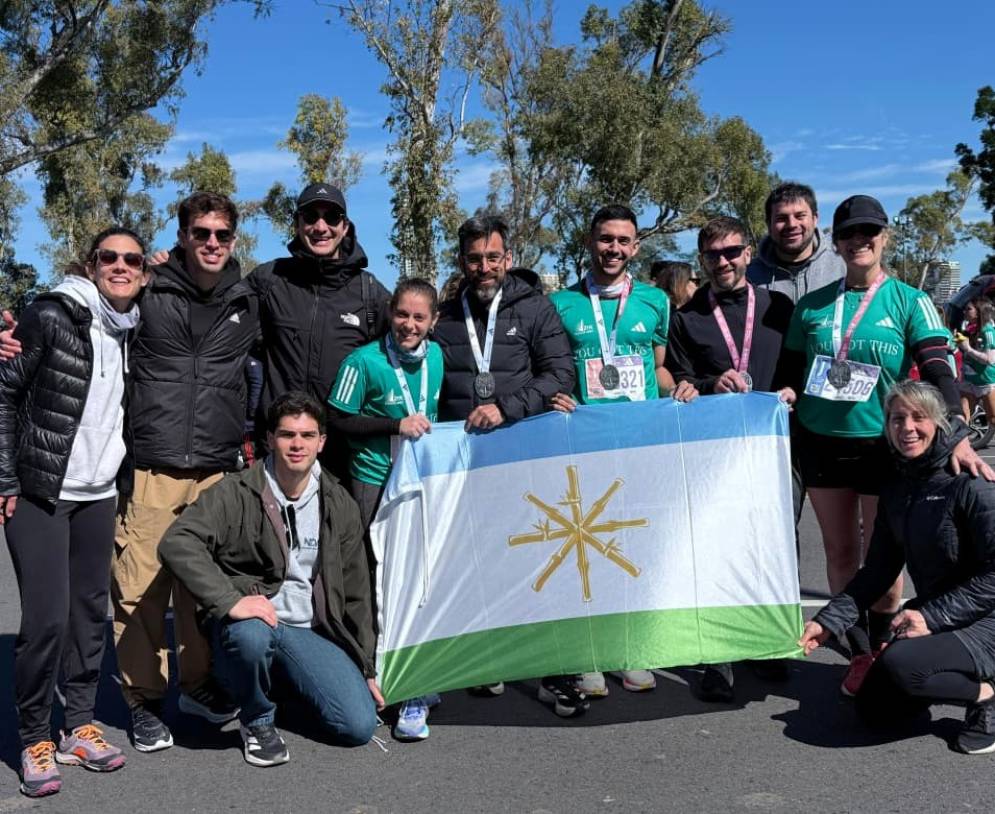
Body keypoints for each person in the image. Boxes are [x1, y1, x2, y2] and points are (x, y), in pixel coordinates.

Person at [783, 194, 991, 693]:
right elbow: (790, 373)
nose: (860, 241)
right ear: (834, 241)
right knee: (838, 554)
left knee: (885, 561)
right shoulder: (812, 305)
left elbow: (940, 371)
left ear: (884, 238)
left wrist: (958, 435)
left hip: (884, 448)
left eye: (869, 232)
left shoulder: (908, 300)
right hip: (822, 444)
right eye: (849, 233)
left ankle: (882, 644)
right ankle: (858, 654)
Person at [0, 228, 150, 797]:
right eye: (108, 257)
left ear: (142, 272)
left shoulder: (129, 326)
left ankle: (79, 724)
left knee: (89, 615)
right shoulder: (52, 314)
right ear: (90, 264)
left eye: (131, 260)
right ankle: (35, 735)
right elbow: (4, 390)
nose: (120, 266)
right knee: (44, 620)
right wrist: (3, 476)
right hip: (41, 489)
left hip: (98, 492)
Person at [158, 391, 382, 768]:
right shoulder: (237, 490)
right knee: (250, 636)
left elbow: (357, 591)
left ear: (322, 442)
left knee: (357, 726)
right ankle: (257, 720)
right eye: (287, 435)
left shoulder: (338, 502)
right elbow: (177, 542)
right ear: (269, 439)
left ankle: (258, 684)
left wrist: (367, 668)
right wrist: (230, 601)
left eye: (307, 436)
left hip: (307, 629)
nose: (297, 444)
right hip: (252, 621)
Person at [112, 192, 258, 751]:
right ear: (182, 237)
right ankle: (143, 700)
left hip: (217, 470)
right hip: (153, 464)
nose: (213, 243)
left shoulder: (248, 300)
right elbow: (78, 313)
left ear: (234, 240)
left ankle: (198, 685)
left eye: (222, 234)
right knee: (140, 588)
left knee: (201, 593)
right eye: (202, 233)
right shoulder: (146, 289)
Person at [548, 204, 696, 699]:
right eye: (605, 239)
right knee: (586, 548)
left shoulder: (655, 301)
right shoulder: (563, 304)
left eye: (623, 241)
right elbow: (553, 369)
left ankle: (633, 648)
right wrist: (555, 395)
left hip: (639, 445)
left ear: (635, 247)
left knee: (635, 546)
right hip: (584, 445)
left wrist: (679, 389)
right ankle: (590, 653)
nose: (613, 248)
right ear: (590, 243)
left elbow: (657, 369)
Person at [800, 380, 995, 755]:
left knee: (905, 667)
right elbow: (876, 571)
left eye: (918, 417)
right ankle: (948, 672)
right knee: (873, 711)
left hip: (986, 617)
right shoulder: (897, 487)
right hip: (945, 614)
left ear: (939, 422)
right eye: (897, 418)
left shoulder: (971, 481)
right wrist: (828, 621)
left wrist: (929, 618)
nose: (907, 427)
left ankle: (985, 695)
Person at [432, 214, 577, 712]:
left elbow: (561, 373)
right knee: (480, 561)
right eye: (474, 258)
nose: (484, 267)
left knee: (539, 563)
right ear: (462, 261)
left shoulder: (535, 309)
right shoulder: (445, 316)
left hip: (524, 454)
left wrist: (508, 407)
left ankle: (555, 671)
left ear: (508, 259)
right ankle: (488, 658)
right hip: (466, 460)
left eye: (493, 257)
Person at [663, 215, 796, 702]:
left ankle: (766, 642)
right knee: (716, 548)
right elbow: (676, 377)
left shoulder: (779, 307)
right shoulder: (688, 316)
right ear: (702, 260)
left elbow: (801, 364)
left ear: (748, 254)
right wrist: (705, 383)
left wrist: (792, 389)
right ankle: (718, 656)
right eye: (713, 255)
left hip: (769, 445)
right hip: (713, 452)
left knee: (770, 545)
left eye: (732, 252)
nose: (724, 262)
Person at [327, 278, 445, 741]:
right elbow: (337, 417)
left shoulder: (436, 356)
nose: (409, 325)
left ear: (433, 321)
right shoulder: (364, 361)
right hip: (373, 481)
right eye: (402, 314)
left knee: (417, 575)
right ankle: (372, 674)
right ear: (389, 314)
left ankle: (415, 684)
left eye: (419, 317)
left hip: (421, 482)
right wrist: (394, 423)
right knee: (373, 578)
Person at [248, 183, 391, 477]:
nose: (321, 226)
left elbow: (413, 338)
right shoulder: (270, 280)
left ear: (345, 226)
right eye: (311, 216)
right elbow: (216, 300)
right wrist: (176, 263)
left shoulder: (369, 292)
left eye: (332, 218)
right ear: (298, 224)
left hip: (343, 452)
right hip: (281, 447)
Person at [746, 181, 845, 303]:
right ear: (768, 224)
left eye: (800, 216)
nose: (792, 224)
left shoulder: (842, 264)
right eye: (781, 218)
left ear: (815, 219)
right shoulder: (749, 276)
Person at [956, 297, 995, 427]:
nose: (965, 312)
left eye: (969, 309)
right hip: (969, 381)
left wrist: (968, 349)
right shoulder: (969, 327)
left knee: (993, 419)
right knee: (962, 416)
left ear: (978, 311)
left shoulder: (988, 330)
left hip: (985, 381)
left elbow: (989, 359)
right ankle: (960, 444)